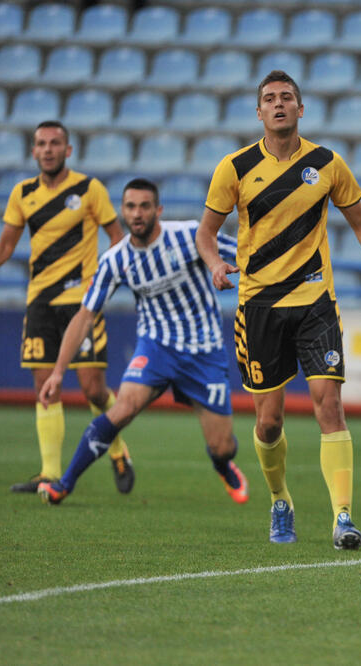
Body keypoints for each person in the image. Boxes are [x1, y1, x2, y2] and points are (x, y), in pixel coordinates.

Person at [195, 70, 361, 547]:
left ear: (301, 109)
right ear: (260, 111)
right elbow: (207, 234)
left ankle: (343, 517)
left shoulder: (327, 163)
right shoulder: (235, 167)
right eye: (270, 98)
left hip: (315, 303)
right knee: (269, 422)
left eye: (287, 97)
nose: (279, 104)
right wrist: (214, 264)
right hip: (259, 306)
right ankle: (280, 500)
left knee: (329, 405)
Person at [35, 178, 248, 506]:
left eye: (144, 206)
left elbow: (246, 254)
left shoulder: (190, 235)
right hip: (156, 347)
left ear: (158, 210)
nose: (137, 213)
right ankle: (64, 483)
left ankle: (223, 465)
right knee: (123, 408)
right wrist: (59, 372)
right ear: (122, 210)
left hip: (203, 351)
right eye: (131, 206)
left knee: (223, 445)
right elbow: (84, 316)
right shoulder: (115, 260)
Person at [0, 120, 133, 495]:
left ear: (67, 150)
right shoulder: (22, 193)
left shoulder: (89, 189)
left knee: (93, 389)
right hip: (40, 300)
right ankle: (48, 474)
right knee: (44, 385)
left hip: (83, 302)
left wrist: (110, 277)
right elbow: (7, 245)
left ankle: (118, 450)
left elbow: (116, 236)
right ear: (33, 151)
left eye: (55, 143)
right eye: (41, 143)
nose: (47, 149)